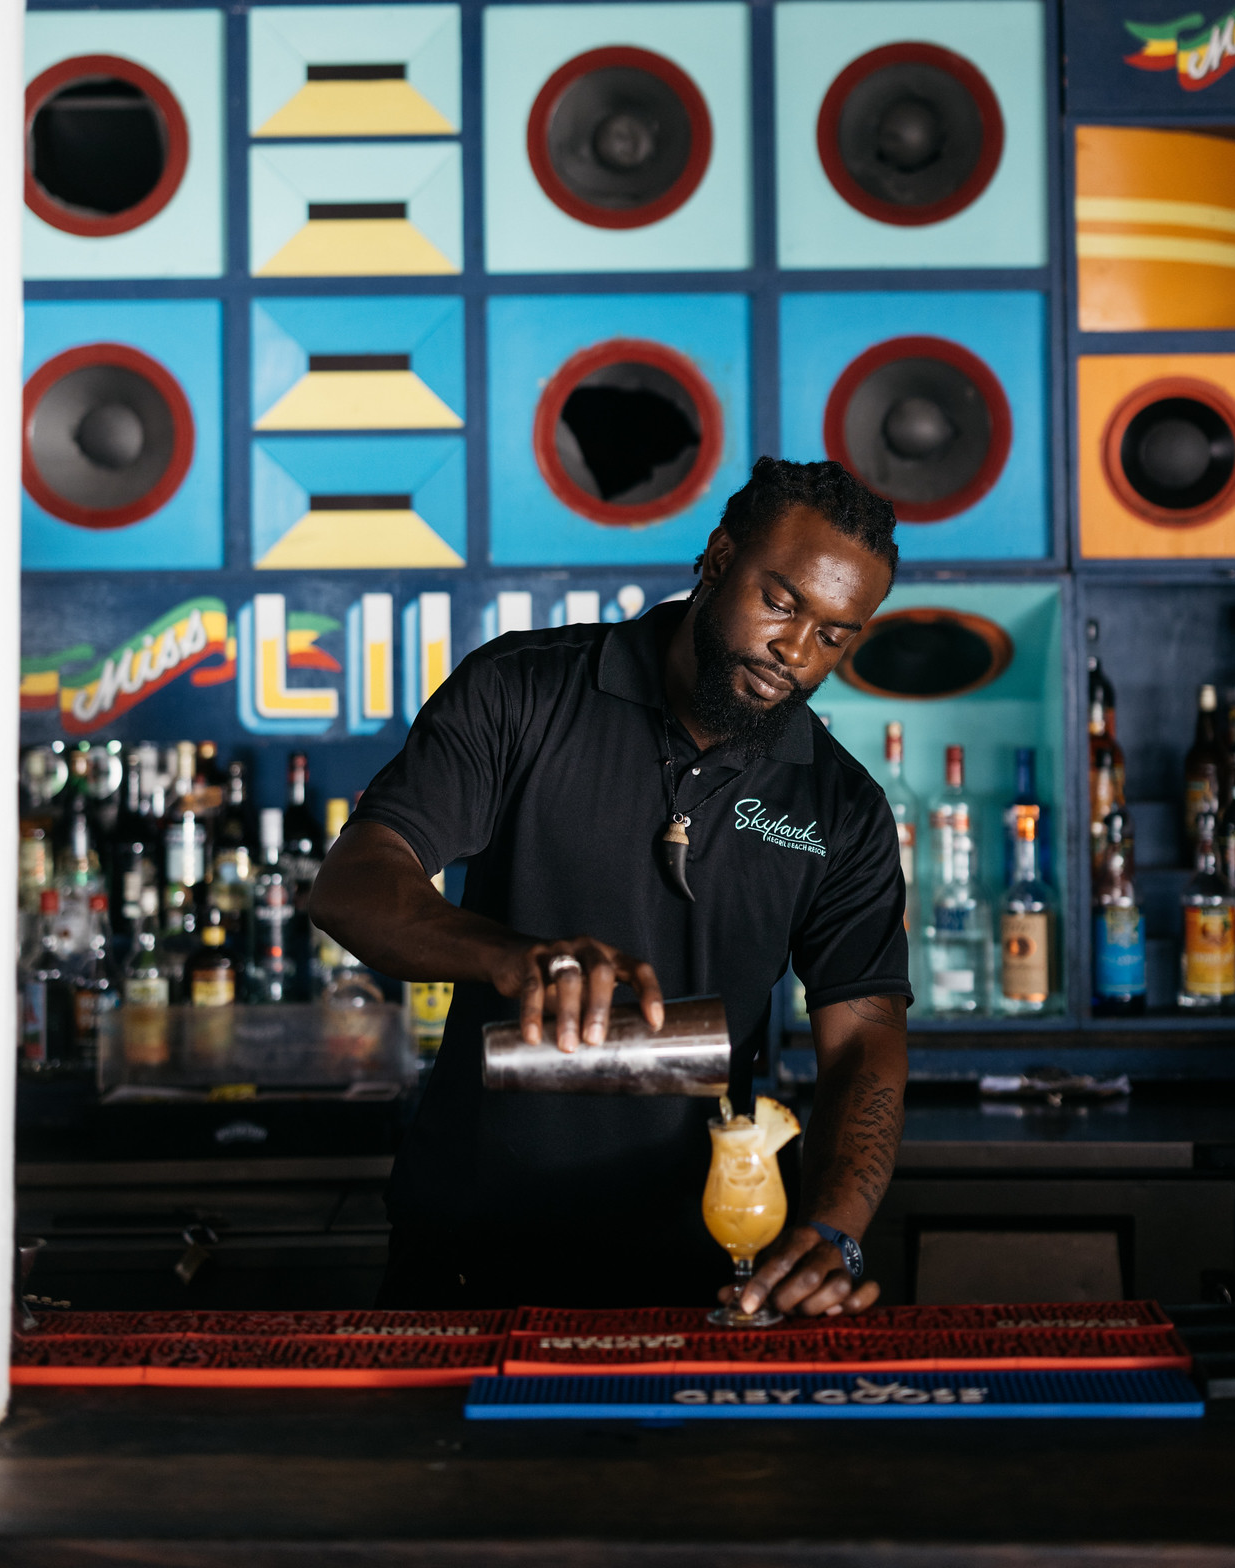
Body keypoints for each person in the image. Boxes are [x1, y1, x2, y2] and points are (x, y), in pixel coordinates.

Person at [310, 456, 911, 1314]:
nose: (795, 650)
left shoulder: (840, 805)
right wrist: (512, 958)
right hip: (465, 1266)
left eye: (834, 635)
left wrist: (836, 1228)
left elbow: (864, 1041)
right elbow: (355, 884)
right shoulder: (525, 690)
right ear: (717, 556)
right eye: (781, 602)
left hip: (705, 1278)